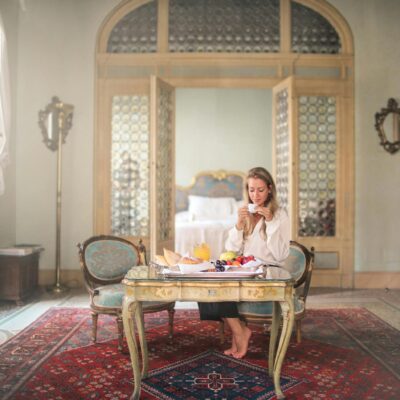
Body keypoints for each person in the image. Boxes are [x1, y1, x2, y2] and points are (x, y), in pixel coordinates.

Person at [198, 167, 290, 359]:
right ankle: (239, 329)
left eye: (260, 190)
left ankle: (239, 333)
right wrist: (239, 226)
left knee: (224, 289)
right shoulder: (246, 212)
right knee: (206, 282)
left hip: (267, 272)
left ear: (270, 189)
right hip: (245, 267)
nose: (255, 195)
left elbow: (280, 255)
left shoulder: (280, 215)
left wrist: (271, 221)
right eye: (251, 190)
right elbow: (232, 249)